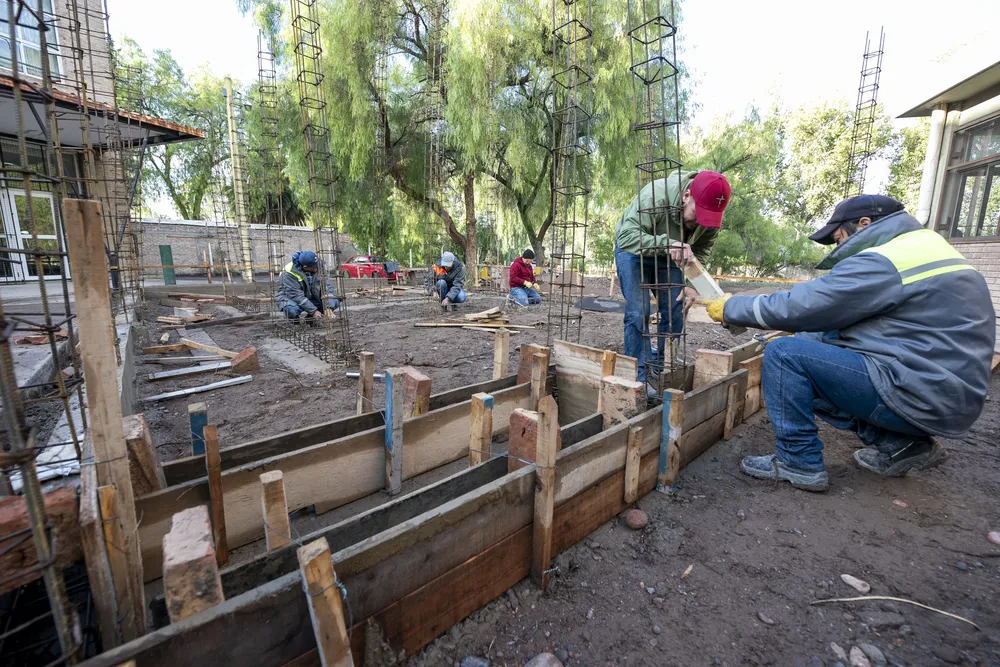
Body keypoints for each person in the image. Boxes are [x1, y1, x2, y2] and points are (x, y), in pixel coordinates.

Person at [708, 194, 995, 492]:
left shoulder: (889, 259)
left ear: (864, 224)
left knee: (783, 355)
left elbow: (805, 306)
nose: (838, 247)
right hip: (946, 394)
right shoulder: (926, 247)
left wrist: (731, 308)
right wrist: (809, 338)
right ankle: (903, 445)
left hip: (921, 395)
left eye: (838, 238)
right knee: (808, 352)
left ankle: (798, 461)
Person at [614, 170, 732, 383]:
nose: (701, 221)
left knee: (676, 308)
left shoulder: (712, 217)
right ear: (686, 196)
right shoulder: (655, 196)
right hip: (633, 250)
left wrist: (690, 283)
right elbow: (626, 236)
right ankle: (637, 376)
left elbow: (702, 250)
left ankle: (661, 366)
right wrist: (668, 244)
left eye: (707, 217)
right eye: (698, 213)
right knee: (639, 311)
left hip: (672, 252)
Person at [274, 250, 340, 323]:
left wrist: (328, 307)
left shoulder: (318, 266)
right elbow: (296, 296)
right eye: (314, 267)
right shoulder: (288, 272)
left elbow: (327, 287)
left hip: (310, 295)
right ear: (305, 267)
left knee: (334, 301)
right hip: (291, 297)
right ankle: (296, 323)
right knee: (292, 310)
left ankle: (310, 320)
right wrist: (313, 311)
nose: (317, 268)